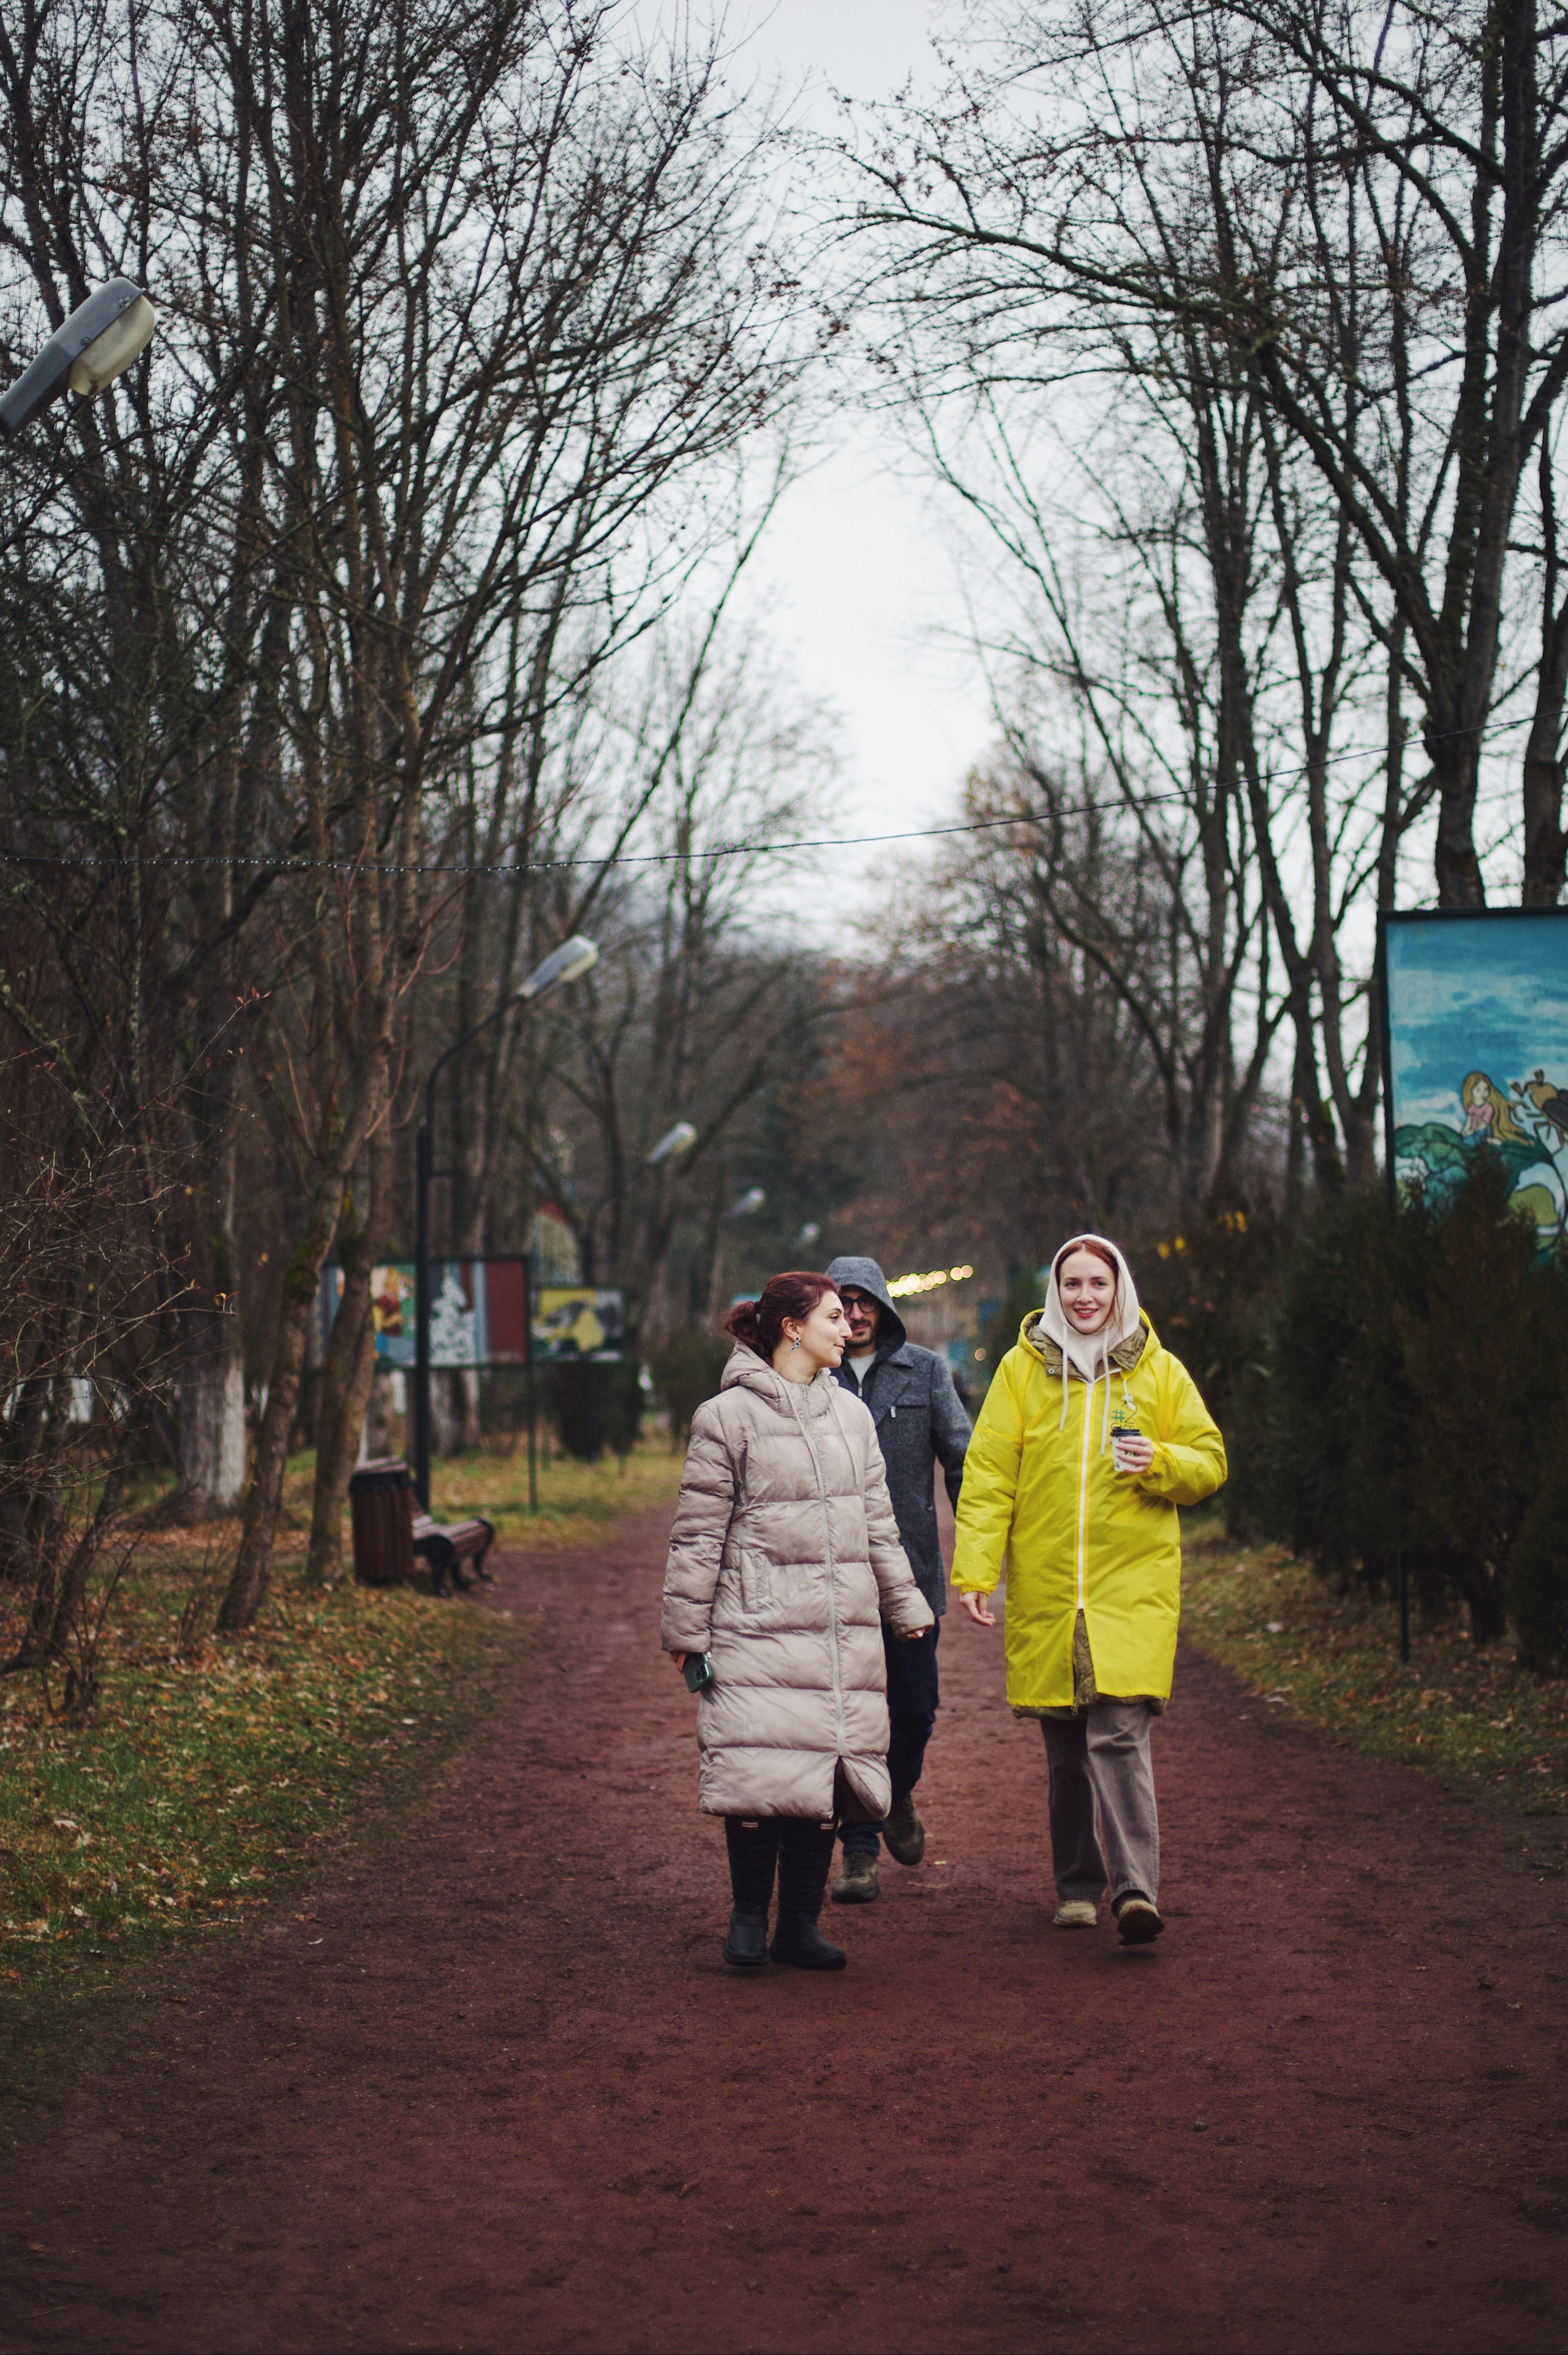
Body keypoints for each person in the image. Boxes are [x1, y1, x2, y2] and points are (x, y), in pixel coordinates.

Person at [951, 1235, 1226, 1945]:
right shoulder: (1020, 1370)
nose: (1083, 1296)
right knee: (1066, 1749)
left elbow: (1209, 1461)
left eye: (1096, 1283)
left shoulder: (1158, 1371)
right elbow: (987, 1478)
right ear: (1055, 1290)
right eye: (1071, 1282)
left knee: (1119, 1735)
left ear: (1118, 1288)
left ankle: (1135, 1889)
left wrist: (1161, 1459)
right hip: (1046, 1589)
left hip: (1130, 1585)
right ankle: (1077, 1882)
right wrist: (977, 1570)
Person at [661, 1271, 934, 1972]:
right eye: (834, 1317)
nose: (848, 1329)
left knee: (825, 1775)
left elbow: (878, 1521)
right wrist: (687, 1634)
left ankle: (800, 1927)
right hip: (755, 1623)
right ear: (792, 1328)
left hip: (841, 1625)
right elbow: (697, 1536)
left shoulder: (849, 1415)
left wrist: (904, 1604)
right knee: (761, 1773)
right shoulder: (726, 1418)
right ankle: (749, 1919)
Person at [822, 1254, 971, 1904]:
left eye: (865, 1302)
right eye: (842, 1301)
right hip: (831, 1580)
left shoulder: (927, 1372)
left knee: (915, 1707)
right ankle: (858, 1850)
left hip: (910, 1575)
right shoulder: (809, 1376)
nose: (853, 1315)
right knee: (848, 1719)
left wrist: (980, 1546)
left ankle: (898, 1790)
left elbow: (962, 1457)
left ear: (884, 1307)